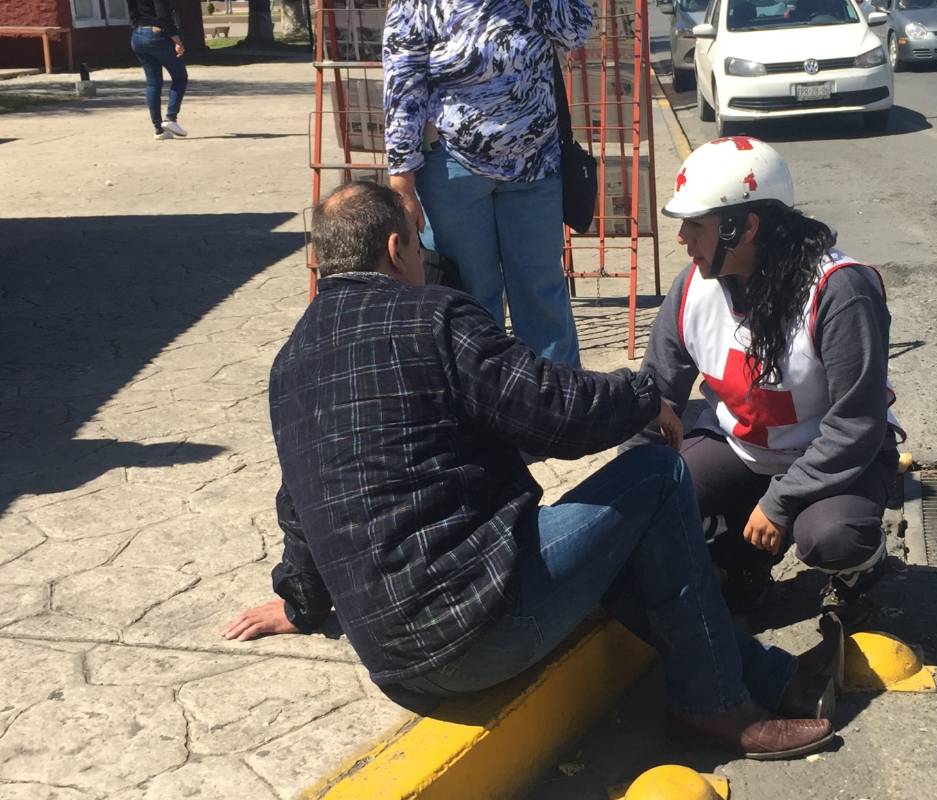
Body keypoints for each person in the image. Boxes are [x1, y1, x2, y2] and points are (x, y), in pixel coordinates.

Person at [223, 180, 840, 760]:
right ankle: (715, 704)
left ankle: (774, 675)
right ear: (394, 248)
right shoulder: (433, 318)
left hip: (391, 659)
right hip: (478, 630)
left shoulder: (290, 364)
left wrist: (300, 602)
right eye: (418, 241)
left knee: (623, 536)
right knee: (656, 477)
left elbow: (297, 499)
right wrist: (641, 396)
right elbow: (552, 411)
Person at [633, 137, 904, 622]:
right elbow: (655, 393)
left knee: (830, 536)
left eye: (696, 225)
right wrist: (633, 488)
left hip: (837, 462)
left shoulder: (841, 291)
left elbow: (855, 428)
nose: (682, 239)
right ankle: (747, 558)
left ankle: (862, 567)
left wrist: (780, 503)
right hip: (743, 450)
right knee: (653, 500)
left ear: (746, 226)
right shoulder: (692, 286)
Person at [382, 0, 588, 366]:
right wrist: (403, 179)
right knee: (470, 300)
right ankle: (479, 408)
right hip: (452, 172)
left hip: (535, 167)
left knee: (542, 295)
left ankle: (559, 410)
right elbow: (403, 81)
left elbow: (576, 30)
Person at [127, 0, 189, 141]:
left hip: (137, 35)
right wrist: (176, 39)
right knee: (180, 77)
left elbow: (132, 13)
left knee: (153, 83)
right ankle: (171, 118)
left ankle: (158, 130)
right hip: (157, 34)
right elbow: (163, 15)